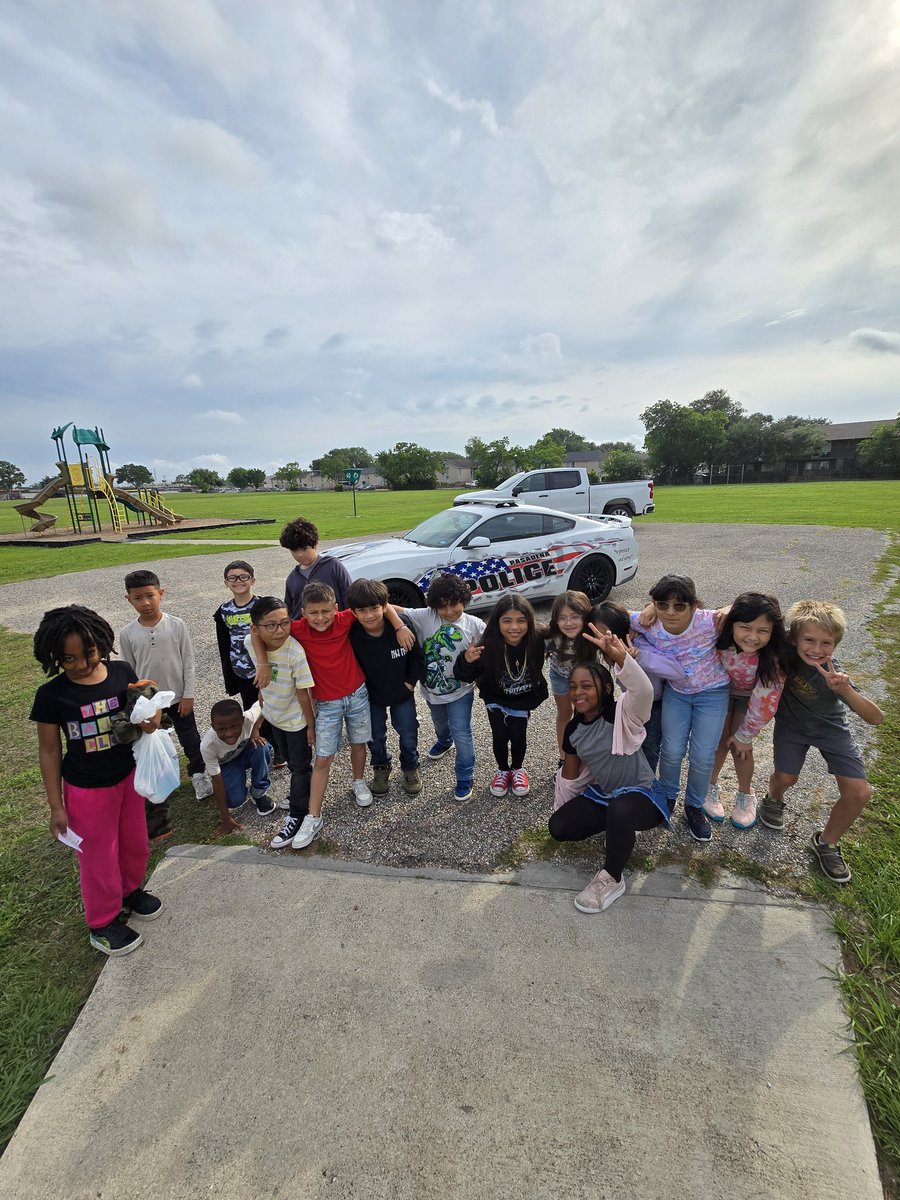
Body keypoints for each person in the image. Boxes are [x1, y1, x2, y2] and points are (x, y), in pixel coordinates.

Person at [30, 605, 163, 957]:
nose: (82, 665)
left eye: (88, 653)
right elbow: (49, 752)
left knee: (135, 842)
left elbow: (143, 712)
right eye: (69, 659)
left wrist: (151, 718)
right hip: (86, 789)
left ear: (101, 642)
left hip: (128, 777)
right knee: (97, 856)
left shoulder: (122, 672)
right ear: (55, 657)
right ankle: (102, 923)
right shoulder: (51, 695)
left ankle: (129, 891)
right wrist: (56, 805)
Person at [251, 583, 413, 849]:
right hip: (326, 703)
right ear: (302, 613)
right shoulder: (297, 628)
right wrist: (262, 661)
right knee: (324, 757)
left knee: (359, 743)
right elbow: (255, 631)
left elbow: (383, 607)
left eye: (326, 611)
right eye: (313, 613)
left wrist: (400, 625)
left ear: (336, 609)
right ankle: (314, 816)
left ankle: (359, 781)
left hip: (358, 693)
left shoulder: (344, 619)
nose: (320, 618)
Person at [760, 600, 884, 882]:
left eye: (826, 643)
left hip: (832, 730)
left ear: (835, 646)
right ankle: (773, 799)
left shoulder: (834, 675)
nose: (817, 650)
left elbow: (876, 718)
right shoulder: (784, 651)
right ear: (793, 638)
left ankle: (826, 843)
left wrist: (846, 691)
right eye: (810, 640)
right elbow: (754, 615)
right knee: (785, 778)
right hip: (791, 727)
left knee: (859, 793)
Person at [548, 630, 671, 914]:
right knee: (559, 828)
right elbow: (569, 778)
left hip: (644, 797)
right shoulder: (574, 730)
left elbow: (643, 690)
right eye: (573, 686)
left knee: (621, 808)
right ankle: (620, 830)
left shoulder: (624, 713)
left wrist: (620, 656)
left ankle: (612, 877)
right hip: (605, 796)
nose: (578, 692)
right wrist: (563, 810)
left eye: (587, 685)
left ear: (604, 688)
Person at [632, 575, 731, 844]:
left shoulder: (710, 621)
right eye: (662, 604)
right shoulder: (649, 621)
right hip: (677, 693)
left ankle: (694, 807)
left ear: (694, 605)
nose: (670, 612)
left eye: (679, 606)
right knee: (672, 749)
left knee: (702, 755)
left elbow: (754, 611)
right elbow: (612, 615)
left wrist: (731, 608)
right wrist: (646, 610)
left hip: (712, 693)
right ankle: (667, 796)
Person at [120, 570, 212, 805]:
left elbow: (188, 662)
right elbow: (128, 672)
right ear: (128, 599)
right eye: (138, 598)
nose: (146, 602)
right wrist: (134, 705)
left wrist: (188, 695)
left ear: (161, 594)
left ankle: (199, 774)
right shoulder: (128, 633)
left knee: (190, 738)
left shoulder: (176, 625)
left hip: (178, 697)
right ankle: (156, 780)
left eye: (150, 595)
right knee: (149, 741)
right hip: (148, 702)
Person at [399, 574, 486, 802]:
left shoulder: (475, 626)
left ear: (465, 601)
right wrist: (399, 626)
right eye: (442, 606)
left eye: (454, 605)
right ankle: (444, 740)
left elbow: (497, 646)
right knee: (439, 722)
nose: (448, 612)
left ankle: (465, 776)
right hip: (431, 691)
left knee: (463, 732)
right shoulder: (426, 616)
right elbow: (386, 607)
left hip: (461, 691)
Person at [704, 593, 786, 830]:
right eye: (745, 628)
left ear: (774, 631)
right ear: (732, 624)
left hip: (751, 698)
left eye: (763, 631)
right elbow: (690, 614)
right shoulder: (719, 632)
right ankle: (709, 787)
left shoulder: (776, 656)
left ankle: (745, 793)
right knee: (717, 741)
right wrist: (727, 607)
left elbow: (766, 698)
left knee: (741, 748)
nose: (752, 637)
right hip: (718, 691)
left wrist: (745, 735)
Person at [454, 594, 548, 798]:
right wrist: (467, 660)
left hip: (522, 699)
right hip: (495, 699)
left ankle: (517, 769)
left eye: (521, 620)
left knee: (518, 735)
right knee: (499, 736)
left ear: (529, 622)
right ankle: (503, 770)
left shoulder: (537, 639)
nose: (514, 627)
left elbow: (565, 627)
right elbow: (463, 675)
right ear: (497, 622)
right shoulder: (487, 645)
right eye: (507, 620)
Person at [245, 597, 316, 850]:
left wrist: (311, 726)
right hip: (274, 716)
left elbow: (303, 693)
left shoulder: (294, 652)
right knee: (285, 758)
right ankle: (300, 795)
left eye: (285, 623)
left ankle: (298, 814)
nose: (280, 630)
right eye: (271, 625)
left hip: (295, 721)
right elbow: (251, 640)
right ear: (256, 628)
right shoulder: (251, 641)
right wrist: (262, 667)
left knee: (300, 767)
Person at [346, 578, 425, 797]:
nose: (369, 615)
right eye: (362, 610)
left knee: (408, 731)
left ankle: (410, 766)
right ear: (353, 612)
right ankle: (381, 766)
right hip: (371, 696)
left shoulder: (402, 626)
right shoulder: (352, 634)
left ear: (384, 606)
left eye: (375, 608)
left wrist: (410, 683)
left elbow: (418, 657)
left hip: (402, 693)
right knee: (375, 735)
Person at [589, 599, 686, 773]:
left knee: (649, 747)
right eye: (599, 634)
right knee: (631, 746)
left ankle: (645, 787)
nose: (606, 639)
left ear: (627, 630)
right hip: (631, 703)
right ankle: (632, 781)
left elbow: (678, 671)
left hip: (655, 705)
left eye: (610, 633)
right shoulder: (605, 648)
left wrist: (640, 657)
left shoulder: (639, 645)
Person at [214, 559, 282, 768]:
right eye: (232, 577)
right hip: (242, 670)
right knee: (251, 708)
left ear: (252, 580)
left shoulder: (262, 606)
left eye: (244, 577)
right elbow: (224, 641)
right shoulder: (224, 611)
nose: (238, 581)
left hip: (264, 667)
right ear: (226, 583)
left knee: (272, 706)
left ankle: (279, 749)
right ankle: (259, 746)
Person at [200, 698, 273, 837]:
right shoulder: (207, 746)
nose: (229, 733)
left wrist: (256, 729)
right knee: (234, 801)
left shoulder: (249, 717)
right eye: (222, 729)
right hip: (227, 765)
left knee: (261, 748)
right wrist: (226, 817)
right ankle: (239, 783)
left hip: (245, 752)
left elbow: (266, 702)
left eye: (235, 726)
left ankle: (259, 792)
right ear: (213, 726)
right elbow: (217, 780)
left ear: (243, 720)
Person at [545, 590, 595, 759]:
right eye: (562, 618)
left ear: (586, 616)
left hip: (587, 679)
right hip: (560, 676)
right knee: (565, 713)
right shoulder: (550, 635)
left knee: (588, 715)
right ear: (555, 619)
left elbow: (621, 616)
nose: (569, 623)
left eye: (575, 616)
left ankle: (587, 756)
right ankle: (564, 757)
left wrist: (649, 610)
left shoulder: (594, 632)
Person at [280, 517, 352, 618]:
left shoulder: (333, 566)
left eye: (304, 549)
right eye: (294, 550)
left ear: (315, 544)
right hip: (304, 632)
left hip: (335, 629)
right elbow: (289, 611)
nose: (300, 555)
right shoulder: (292, 578)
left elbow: (349, 599)